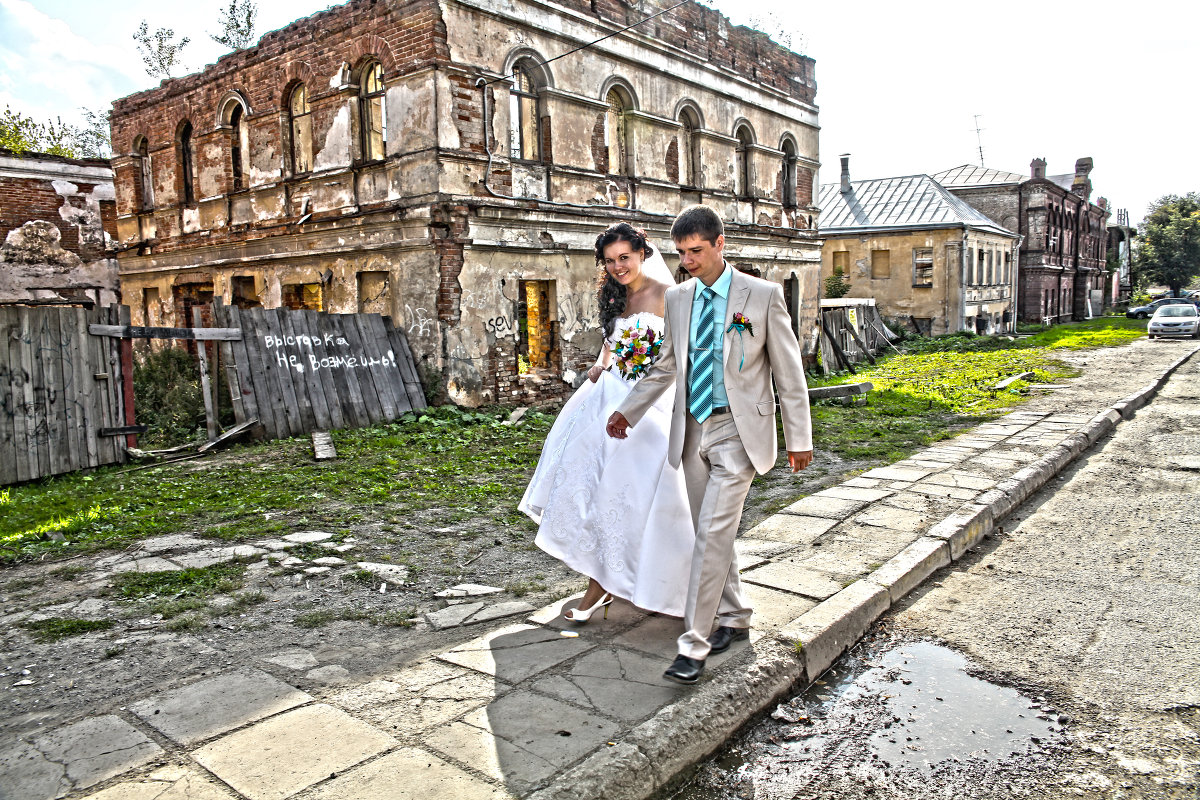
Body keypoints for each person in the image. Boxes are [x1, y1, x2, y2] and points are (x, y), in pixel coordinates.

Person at [606, 205, 812, 685]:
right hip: (692, 428)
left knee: (711, 535)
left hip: (740, 431)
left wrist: (798, 437)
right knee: (710, 530)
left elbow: (788, 370)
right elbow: (667, 365)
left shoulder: (760, 296)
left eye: (696, 250)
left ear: (720, 244)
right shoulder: (678, 299)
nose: (689, 260)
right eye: (681, 252)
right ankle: (735, 616)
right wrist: (628, 410)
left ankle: (694, 646)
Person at [519, 222, 695, 622]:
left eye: (624, 258)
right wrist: (601, 364)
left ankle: (642, 585)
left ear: (643, 253)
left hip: (648, 407)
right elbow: (611, 342)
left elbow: (676, 359)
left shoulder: (671, 296)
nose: (618, 267)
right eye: (610, 260)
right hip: (605, 398)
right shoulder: (615, 295)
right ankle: (602, 584)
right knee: (588, 490)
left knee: (634, 496)